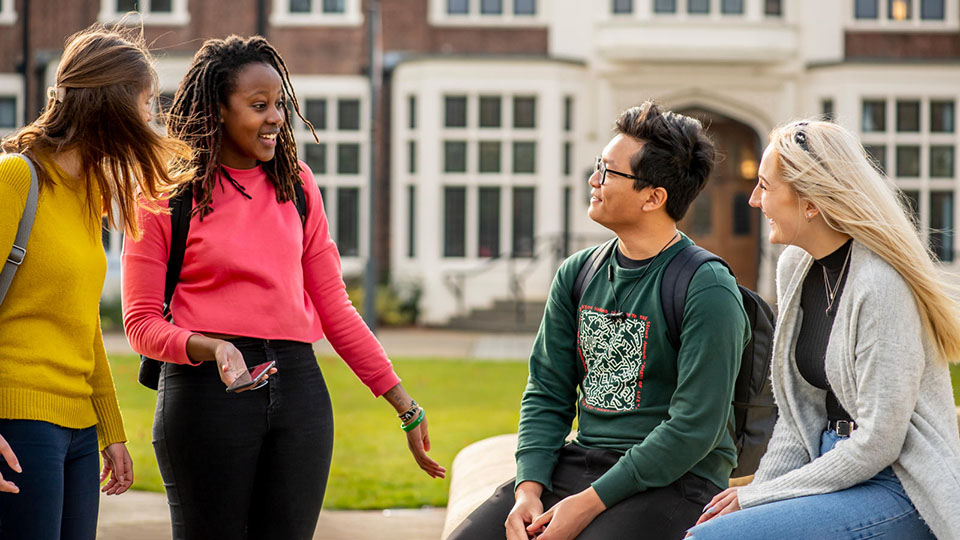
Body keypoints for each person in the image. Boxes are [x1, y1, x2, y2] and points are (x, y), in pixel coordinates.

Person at [121, 35, 445, 540]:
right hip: (207, 395)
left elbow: (335, 307)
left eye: (279, 105)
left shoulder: (297, 186)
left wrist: (404, 404)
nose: (276, 117)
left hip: (299, 392)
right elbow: (140, 324)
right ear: (216, 111)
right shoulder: (162, 195)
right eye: (258, 106)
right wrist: (213, 348)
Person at [448, 102, 750, 540]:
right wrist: (528, 489)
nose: (593, 180)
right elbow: (547, 389)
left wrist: (588, 504)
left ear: (653, 197)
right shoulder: (578, 272)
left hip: (677, 482)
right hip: (582, 464)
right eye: (597, 167)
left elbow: (693, 429)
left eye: (608, 172)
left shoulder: (708, 289)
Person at [686, 120, 960, 540]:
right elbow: (799, 420)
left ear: (810, 203)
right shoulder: (796, 268)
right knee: (712, 528)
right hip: (828, 466)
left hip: (899, 484)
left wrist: (756, 499)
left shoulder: (880, 285)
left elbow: (878, 444)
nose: (755, 201)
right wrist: (760, 491)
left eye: (765, 186)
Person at [0, 25, 191, 539]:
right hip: (19, 419)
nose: (151, 116)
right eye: (146, 102)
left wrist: (111, 430)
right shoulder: (17, 179)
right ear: (110, 105)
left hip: (79, 429)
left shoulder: (88, 196)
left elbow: (83, 323)